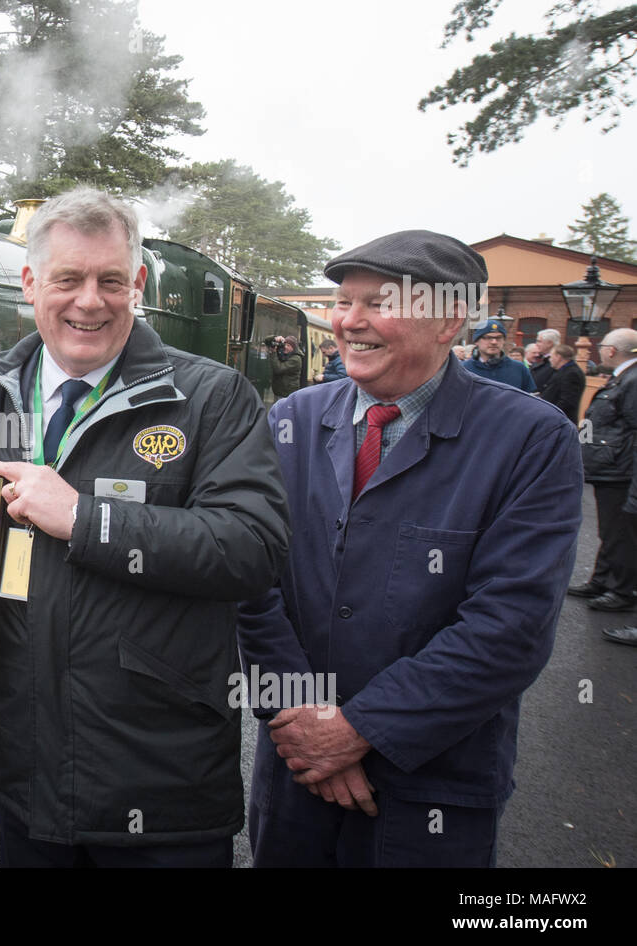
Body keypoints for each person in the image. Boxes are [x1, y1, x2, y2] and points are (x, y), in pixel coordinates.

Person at [0, 188, 289, 866]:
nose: (90, 300)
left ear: (137, 285)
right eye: (68, 279)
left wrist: (85, 517)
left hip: (161, 788)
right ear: (29, 284)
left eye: (111, 280)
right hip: (24, 777)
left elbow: (252, 547)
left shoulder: (210, 397)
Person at [237, 229, 582, 867]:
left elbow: (510, 626)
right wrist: (303, 723)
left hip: (432, 782)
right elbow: (252, 583)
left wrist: (361, 730)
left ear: (450, 320)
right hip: (296, 771)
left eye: (379, 303)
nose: (350, 321)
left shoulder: (531, 438)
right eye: (344, 301)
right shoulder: (292, 420)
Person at [568, 328, 637, 613]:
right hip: (612, 468)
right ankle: (602, 579)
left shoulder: (632, 380)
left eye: (603, 347)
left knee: (619, 533)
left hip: (620, 471)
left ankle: (621, 590)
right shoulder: (625, 377)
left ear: (610, 350)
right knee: (610, 531)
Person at [462, 318, 537, 391]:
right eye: (488, 338)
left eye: (499, 338)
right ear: (476, 341)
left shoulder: (519, 368)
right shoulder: (463, 369)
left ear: (504, 340)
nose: (494, 342)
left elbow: (530, 398)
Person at [540, 343, 586, 423]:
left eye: (551, 356)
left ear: (558, 357)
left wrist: (550, 414)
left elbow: (567, 401)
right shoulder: (564, 371)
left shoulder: (572, 373)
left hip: (560, 421)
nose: (550, 359)